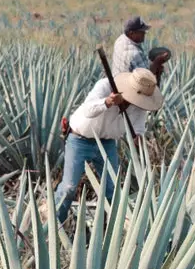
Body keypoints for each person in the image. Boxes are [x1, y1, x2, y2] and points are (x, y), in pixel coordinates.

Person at [55, 68, 164, 224]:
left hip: (107, 143)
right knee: (69, 187)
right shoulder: (106, 86)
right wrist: (107, 102)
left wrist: (137, 139)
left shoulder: (141, 103)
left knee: (112, 190)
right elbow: (87, 110)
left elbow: (138, 127)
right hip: (80, 139)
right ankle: (57, 226)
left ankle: (109, 231)